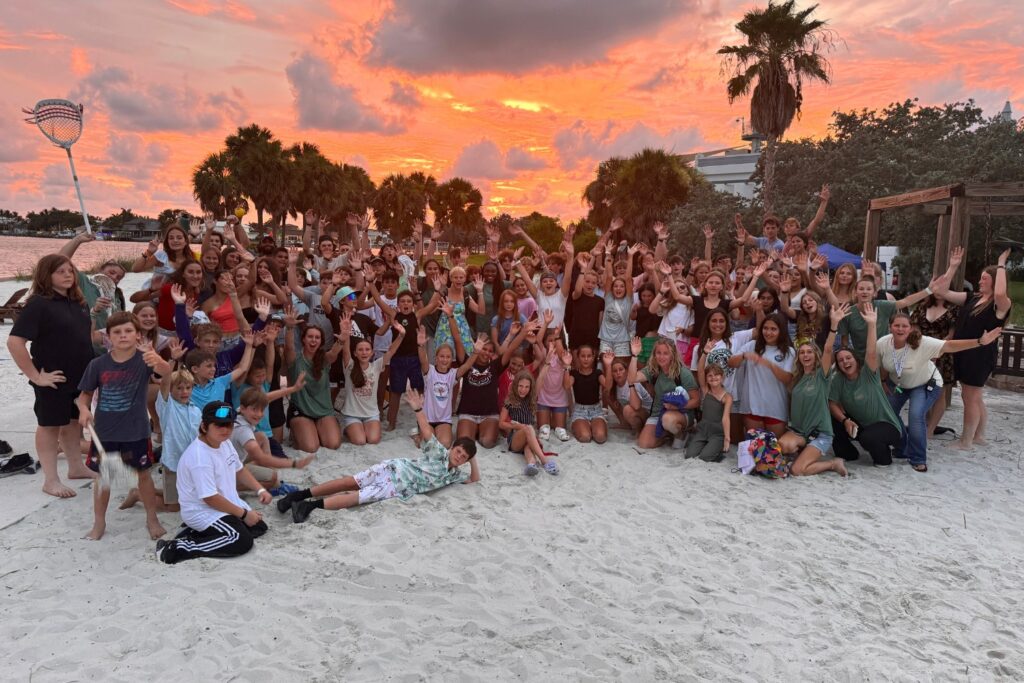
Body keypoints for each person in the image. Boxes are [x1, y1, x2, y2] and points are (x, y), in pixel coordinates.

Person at [279, 388, 481, 523]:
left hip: (397, 486)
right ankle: (301, 495)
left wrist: (472, 456)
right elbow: (427, 432)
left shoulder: (454, 475)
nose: (459, 457)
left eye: (463, 457)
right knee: (349, 483)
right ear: (452, 447)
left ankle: (308, 505)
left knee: (356, 496)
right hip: (394, 470)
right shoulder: (439, 453)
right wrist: (418, 409)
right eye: (458, 451)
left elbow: (474, 478)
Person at [77, 312, 172, 540]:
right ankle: (99, 522)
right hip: (105, 433)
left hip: (136, 431)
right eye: (117, 332)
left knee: (143, 476)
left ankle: (152, 518)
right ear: (108, 337)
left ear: (138, 335)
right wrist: (83, 409)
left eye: (128, 331)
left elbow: (167, 373)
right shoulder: (98, 364)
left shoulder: (145, 359)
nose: (123, 336)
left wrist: (158, 361)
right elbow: (84, 395)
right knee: (104, 478)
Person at [8, 254, 96, 498]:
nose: (68, 275)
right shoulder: (39, 304)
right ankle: (50, 479)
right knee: (49, 426)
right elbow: (15, 342)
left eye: (70, 270)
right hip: (53, 378)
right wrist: (36, 376)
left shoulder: (80, 302)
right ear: (47, 276)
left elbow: (83, 338)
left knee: (70, 424)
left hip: (79, 378)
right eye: (61, 271)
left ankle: (76, 467)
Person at [878, 312, 1002, 472]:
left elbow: (950, 345)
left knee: (916, 415)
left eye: (904, 326)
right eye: (897, 325)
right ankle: (903, 447)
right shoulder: (883, 343)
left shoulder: (921, 342)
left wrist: (979, 342)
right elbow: (882, 363)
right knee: (889, 413)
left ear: (910, 328)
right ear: (890, 327)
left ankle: (918, 458)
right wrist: (882, 381)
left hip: (925, 383)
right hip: (899, 385)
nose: (900, 329)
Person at [155, 402, 272, 564]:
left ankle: (196, 533)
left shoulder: (224, 443)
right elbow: (210, 498)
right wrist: (244, 514)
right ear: (204, 426)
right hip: (202, 511)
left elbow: (239, 469)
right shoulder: (199, 456)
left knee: (259, 527)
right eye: (219, 425)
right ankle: (175, 548)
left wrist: (260, 490)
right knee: (240, 540)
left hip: (225, 504)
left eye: (229, 425)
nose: (225, 429)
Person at [940, 248, 1013, 449]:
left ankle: (966, 441)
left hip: (980, 355)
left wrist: (1000, 263)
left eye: (984, 278)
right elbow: (942, 292)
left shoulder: (1000, 304)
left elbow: (999, 291)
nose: (980, 281)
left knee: (969, 396)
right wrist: (953, 266)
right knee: (975, 396)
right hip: (964, 351)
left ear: (995, 279)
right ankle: (978, 436)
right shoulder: (972, 298)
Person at [778, 305, 848, 477]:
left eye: (809, 352)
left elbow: (828, 349)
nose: (806, 355)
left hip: (820, 434)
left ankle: (832, 463)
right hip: (799, 432)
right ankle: (802, 451)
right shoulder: (797, 379)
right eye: (802, 353)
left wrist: (834, 326)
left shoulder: (821, 376)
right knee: (783, 445)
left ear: (815, 355)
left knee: (797, 470)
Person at [828, 304, 902, 467]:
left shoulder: (868, 373)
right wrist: (845, 419)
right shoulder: (838, 380)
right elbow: (832, 403)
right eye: (840, 360)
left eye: (848, 358)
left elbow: (871, 351)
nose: (845, 362)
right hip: (861, 425)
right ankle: (849, 453)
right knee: (833, 420)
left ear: (856, 360)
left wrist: (871, 324)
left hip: (886, 425)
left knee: (868, 438)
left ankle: (884, 458)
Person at [283, 309, 344, 452]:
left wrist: (342, 339)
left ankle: (315, 429)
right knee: (311, 447)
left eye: (317, 337)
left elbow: (334, 352)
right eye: (310, 336)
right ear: (303, 339)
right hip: (301, 410)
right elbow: (289, 347)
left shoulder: (324, 359)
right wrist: (290, 328)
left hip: (323, 410)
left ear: (321, 341)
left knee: (333, 444)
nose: (313, 340)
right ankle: (298, 430)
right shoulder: (295, 359)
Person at [729, 314, 795, 438]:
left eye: (773, 329)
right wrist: (744, 356)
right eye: (765, 328)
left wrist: (769, 364)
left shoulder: (789, 351)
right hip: (752, 405)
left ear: (781, 331)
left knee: (774, 449)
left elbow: (787, 379)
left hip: (776, 407)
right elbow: (731, 363)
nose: (768, 332)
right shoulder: (752, 345)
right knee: (756, 448)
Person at [631, 337, 699, 449]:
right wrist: (634, 356)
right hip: (658, 413)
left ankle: (681, 433)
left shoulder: (683, 373)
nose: (661, 357)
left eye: (665, 353)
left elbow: (696, 401)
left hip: (681, 413)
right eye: (658, 353)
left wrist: (676, 407)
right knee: (644, 444)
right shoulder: (653, 370)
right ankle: (667, 434)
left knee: (668, 419)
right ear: (654, 354)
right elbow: (632, 378)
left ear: (672, 355)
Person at [499, 370, 559, 476]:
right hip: (515, 439)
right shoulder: (510, 401)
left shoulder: (532, 398)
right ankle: (544, 461)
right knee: (528, 428)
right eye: (520, 386)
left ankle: (531, 464)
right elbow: (501, 423)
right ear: (515, 385)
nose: (523, 390)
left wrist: (547, 364)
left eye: (527, 387)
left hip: (529, 438)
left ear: (530, 388)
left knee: (528, 446)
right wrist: (517, 425)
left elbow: (540, 378)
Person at [686, 364, 732, 462]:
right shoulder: (706, 390)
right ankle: (706, 445)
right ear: (706, 379)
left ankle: (716, 449)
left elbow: (726, 418)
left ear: (722, 377)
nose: (713, 377)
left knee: (705, 457)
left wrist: (727, 439)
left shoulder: (727, 397)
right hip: (703, 430)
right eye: (710, 375)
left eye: (716, 375)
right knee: (689, 455)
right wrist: (704, 353)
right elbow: (700, 371)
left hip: (717, 433)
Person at [567, 344, 607, 444]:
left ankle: (593, 425)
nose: (586, 359)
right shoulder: (574, 373)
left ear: (593, 357)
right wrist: (565, 366)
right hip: (580, 411)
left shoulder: (598, 373)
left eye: (589, 356)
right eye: (583, 356)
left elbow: (608, 385)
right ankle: (581, 425)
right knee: (585, 437)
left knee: (600, 437)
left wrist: (609, 365)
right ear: (578, 357)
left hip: (596, 410)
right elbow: (566, 386)